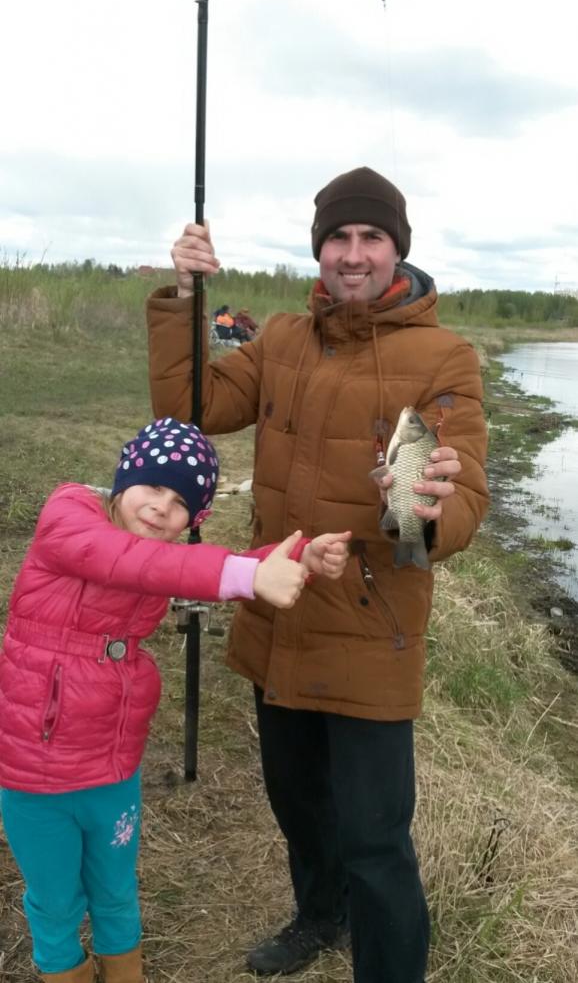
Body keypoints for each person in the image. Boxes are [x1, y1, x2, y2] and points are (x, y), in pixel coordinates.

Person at [146, 167, 489, 983]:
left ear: (397, 250)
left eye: (372, 237)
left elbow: (466, 495)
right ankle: (319, 916)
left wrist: (430, 509)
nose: (354, 253)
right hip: (279, 613)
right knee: (298, 805)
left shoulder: (444, 357)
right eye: (339, 237)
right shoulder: (281, 339)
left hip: (373, 633)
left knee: (376, 839)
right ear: (318, 248)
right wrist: (185, 298)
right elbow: (191, 409)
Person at [0, 416, 351, 983]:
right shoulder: (68, 517)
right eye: (154, 485)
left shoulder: (158, 550)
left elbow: (181, 566)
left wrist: (297, 558)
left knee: (115, 889)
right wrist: (243, 576)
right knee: (56, 900)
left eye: (182, 502)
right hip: (34, 773)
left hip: (111, 765)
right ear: (124, 476)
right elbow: (133, 562)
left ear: (195, 519)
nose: (162, 507)